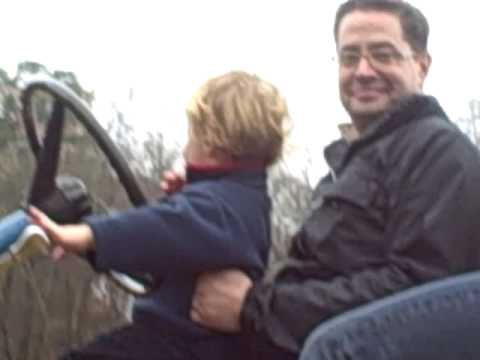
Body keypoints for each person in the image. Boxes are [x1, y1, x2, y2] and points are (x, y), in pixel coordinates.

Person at [187, 1, 480, 359]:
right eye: (349, 57)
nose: (363, 71)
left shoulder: (439, 151)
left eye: (383, 55)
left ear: (421, 66)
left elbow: (421, 292)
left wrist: (255, 307)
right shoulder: (343, 169)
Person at [29, 70, 289, 359]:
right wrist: (93, 248)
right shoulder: (239, 201)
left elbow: (160, 228)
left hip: (180, 345)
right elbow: (167, 245)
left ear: (215, 143)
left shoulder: (221, 206)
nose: (184, 147)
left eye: (192, 135)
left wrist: (89, 234)